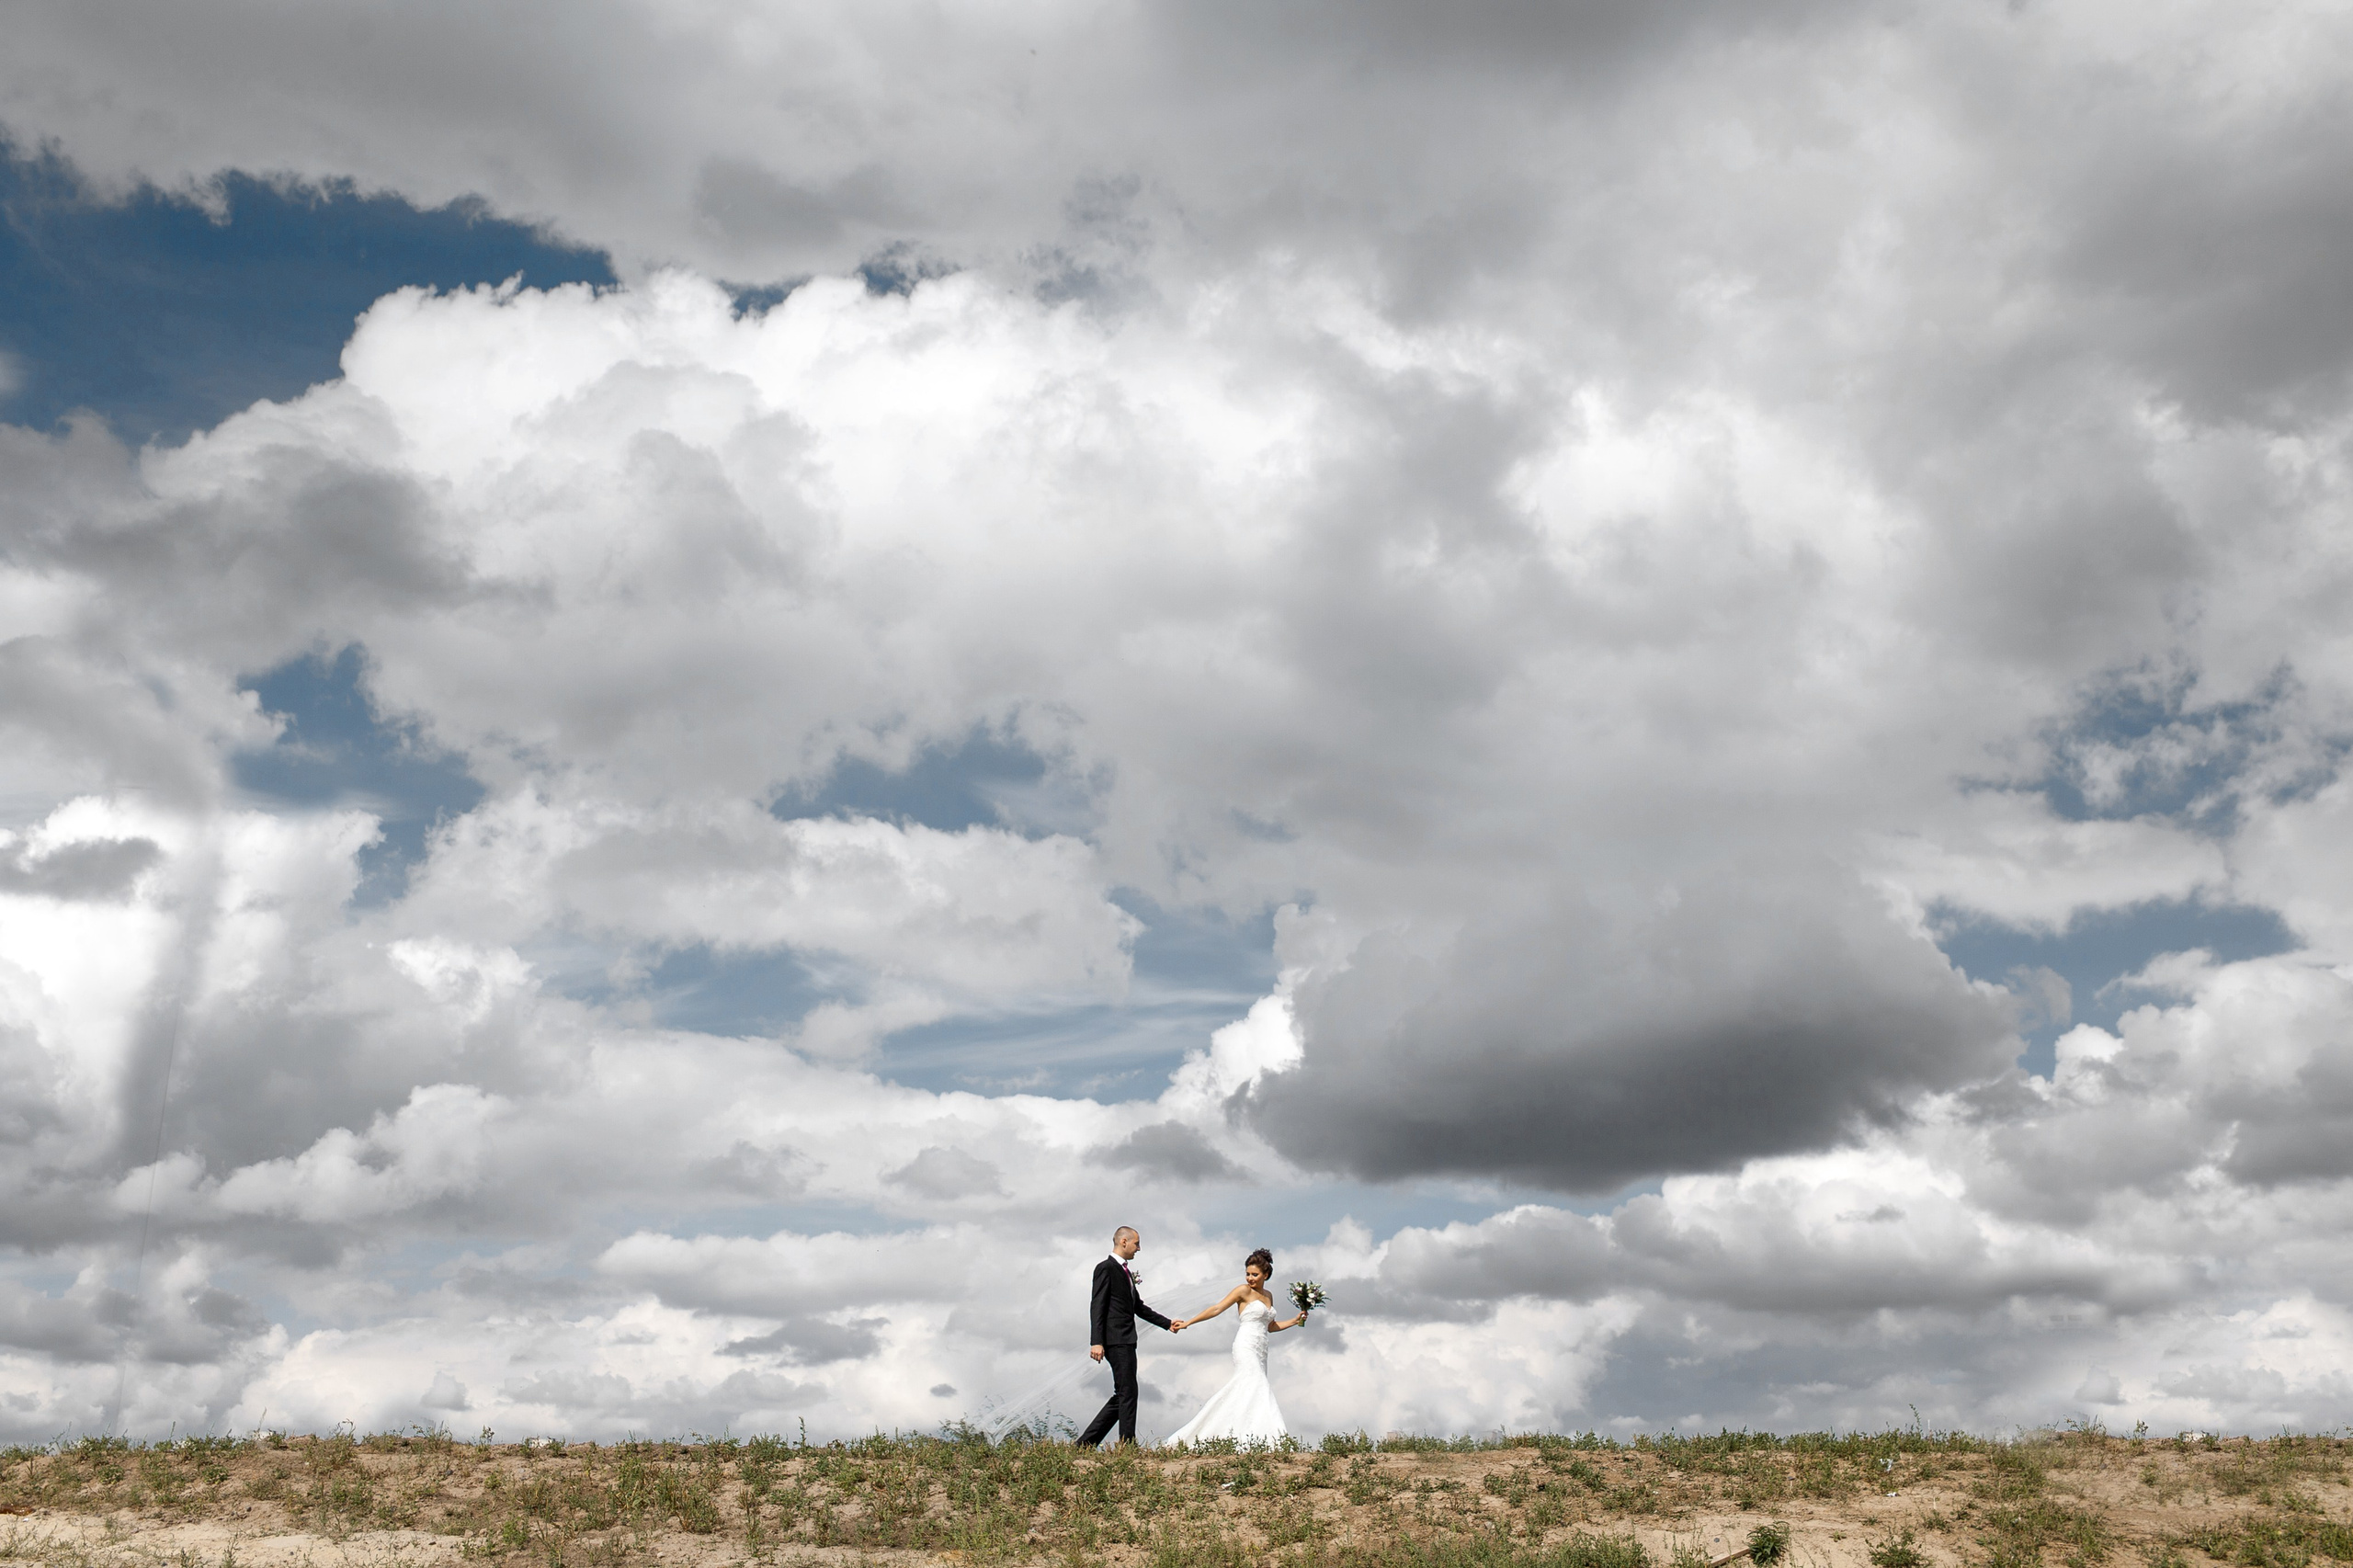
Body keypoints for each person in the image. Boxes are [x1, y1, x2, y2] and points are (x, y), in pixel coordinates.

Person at [1162, 1246, 1306, 1447]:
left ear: (1266, 1275)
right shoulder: (1243, 1291)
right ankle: (1274, 1439)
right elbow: (1217, 1308)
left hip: (1261, 1349)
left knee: (1250, 1389)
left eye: (1254, 1275)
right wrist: (1189, 1323)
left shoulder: (1268, 1295)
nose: (1250, 1278)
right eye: (1247, 1274)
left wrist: (1295, 1321)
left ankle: (1247, 1438)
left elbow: (1271, 1326)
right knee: (1257, 1383)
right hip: (1245, 1345)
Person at [1078, 1225, 1178, 1448]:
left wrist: (1167, 1323)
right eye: (1137, 1243)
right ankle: (1126, 1445)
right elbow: (1097, 1305)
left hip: (1126, 1340)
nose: (1139, 1249)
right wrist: (1096, 1341)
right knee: (1127, 1392)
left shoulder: (1125, 1272)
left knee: (1125, 1393)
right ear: (1124, 1242)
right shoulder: (1105, 1268)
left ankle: (1086, 1444)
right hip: (1115, 1340)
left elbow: (1138, 1307)